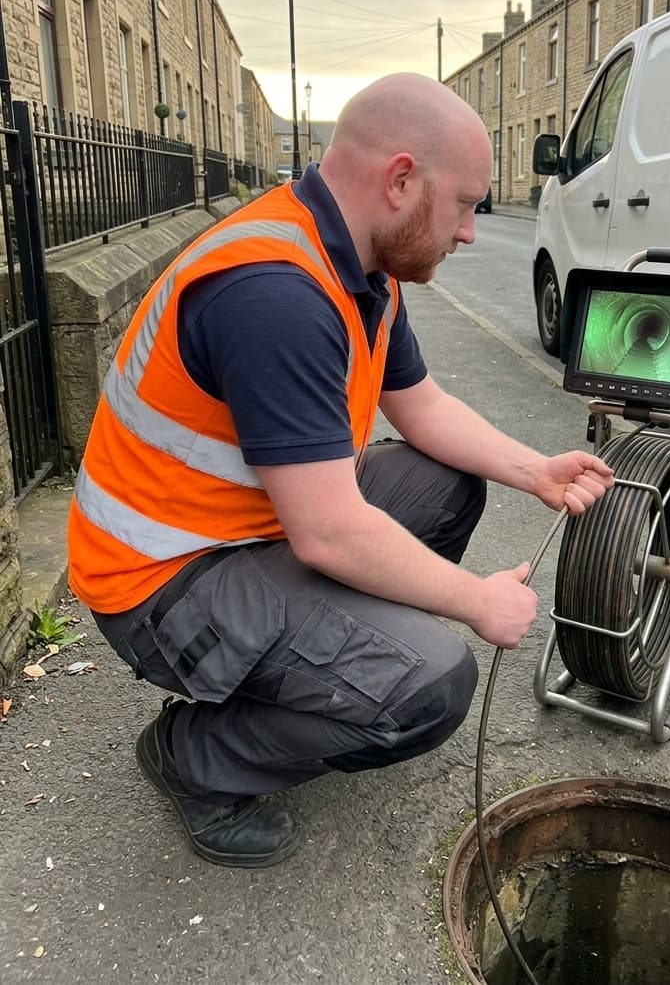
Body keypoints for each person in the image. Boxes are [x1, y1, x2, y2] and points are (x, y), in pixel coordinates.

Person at [67, 72, 614, 868]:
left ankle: (337, 662)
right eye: (464, 204)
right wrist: (477, 602)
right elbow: (328, 532)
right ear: (401, 180)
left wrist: (537, 471)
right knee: (435, 685)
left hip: (247, 531)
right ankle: (193, 756)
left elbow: (422, 408)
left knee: (447, 484)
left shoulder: (363, 266)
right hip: (161, 582)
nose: (470, 231)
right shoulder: (275, 295)